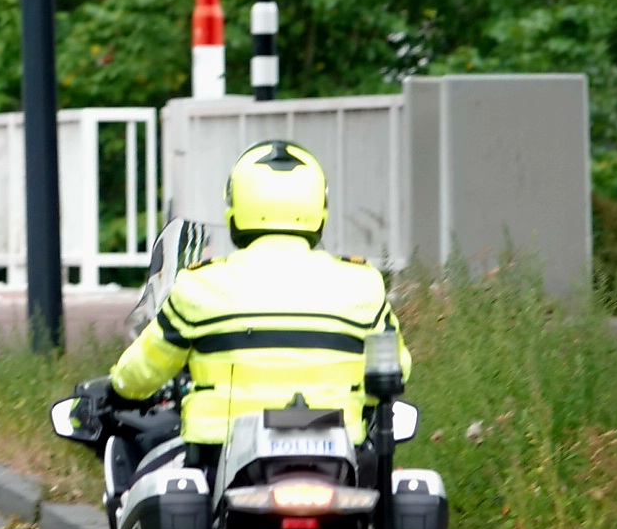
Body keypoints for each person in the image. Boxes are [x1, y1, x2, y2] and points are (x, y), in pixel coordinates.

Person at [106, 138, 411, 449]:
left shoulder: (200, 285)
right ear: (319, 210)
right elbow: (396, 369)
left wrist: (118, 390)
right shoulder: (362, 283)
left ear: (234, 210)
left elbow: (147, 366)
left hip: (220, 451)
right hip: (339, 451)